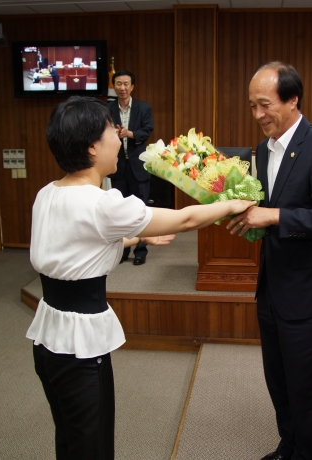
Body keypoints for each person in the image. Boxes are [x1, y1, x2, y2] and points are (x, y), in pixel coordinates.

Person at [27, 96, 254, 460]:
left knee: (69, 438)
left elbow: (79, 245)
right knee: (93, 445)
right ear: (91, 147)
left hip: (49, 337)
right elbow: (185, 220)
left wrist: (138, 235)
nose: (119, 138)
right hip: (81, 347)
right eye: (111, 131)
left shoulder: (47, 194)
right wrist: (232, 204)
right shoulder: (104, 203)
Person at [227, 62, 312, 460]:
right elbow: (268, 208)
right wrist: (246, 218)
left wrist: (273, 216)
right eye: (252, 106)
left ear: (293, 99)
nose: (258, 115)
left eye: (265, 104)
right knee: (278, 378)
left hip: (311, 289)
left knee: (305, 381)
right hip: (273, 284)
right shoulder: (263, 150)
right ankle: (290, 444)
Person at [107, 70, 154, 265]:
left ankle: (141, 249)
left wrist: (130, 134)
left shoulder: (143, 108)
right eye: (118, 84)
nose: (122, 88)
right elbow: (101, 131)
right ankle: (123, 249)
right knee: (120, 209)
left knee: (141, 208)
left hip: (138, 166)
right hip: (118, 166)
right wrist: (114, 134)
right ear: (114, 86)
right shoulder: (108, 109)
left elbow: (148, 130)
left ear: (132, 86)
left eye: (126, 84)